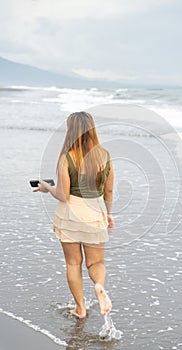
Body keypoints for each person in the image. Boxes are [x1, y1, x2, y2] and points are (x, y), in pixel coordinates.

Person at [33, 111, 114, 319]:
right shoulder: (104, 155)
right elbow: (109, 191)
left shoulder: (67, 157)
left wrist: (45, 188)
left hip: (70, 215)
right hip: (96, 213)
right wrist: (109, 214)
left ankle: (80, 308)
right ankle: (99, 286)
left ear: (71, 131)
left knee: (73, 263)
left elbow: (63, 194)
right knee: (96, 263)